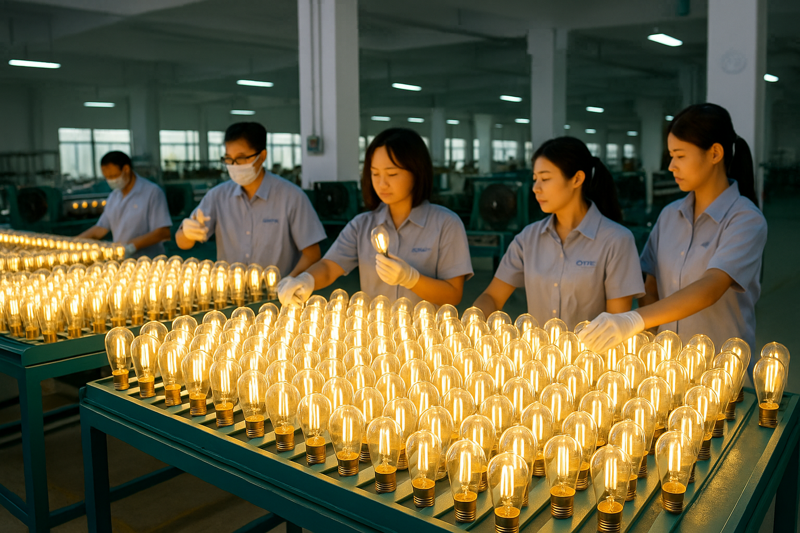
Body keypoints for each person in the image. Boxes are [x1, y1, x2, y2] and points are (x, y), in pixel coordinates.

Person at [578, 103, 768, 369]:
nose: (671, 166)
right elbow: (651, 283)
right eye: (671, 156)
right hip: (667, 370)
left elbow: (710, 287)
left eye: (680, 156)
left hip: (720, 372)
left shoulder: (745, 219)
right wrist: (653, 342)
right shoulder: (669, 215)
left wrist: (634, 320)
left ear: (714, 153)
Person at [277, 128, 473, 307]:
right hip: (378, 339)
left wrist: (412, 279)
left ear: (417, 172)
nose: (382, 184)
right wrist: (305, 280)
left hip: (426, 340)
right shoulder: (362, 226)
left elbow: (453, 295)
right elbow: (329, 267)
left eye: (392, 174)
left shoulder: (446, 224)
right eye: (375, 174)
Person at [473, 137, 645, 330]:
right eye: (535, 179)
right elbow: (493, 297)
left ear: (577, 179)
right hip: (539, 357)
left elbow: (616, 322)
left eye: (545, 179)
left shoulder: (615, 241)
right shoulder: (528, 239)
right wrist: (475, 320)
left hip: (591, 358)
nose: (536, 188)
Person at [176, 122, 325, 276]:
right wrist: (186, 233)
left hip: (278, 294)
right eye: (228, 159)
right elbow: (183, 243)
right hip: (231, 294)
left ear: (262, 157)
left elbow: (312, 254)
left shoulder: (291, 197)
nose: (234, 166)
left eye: (241, 158)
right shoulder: (217, 196)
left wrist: (290, 282)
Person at [77, 151, 171, 258]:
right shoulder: (114, 196)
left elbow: (163, 232)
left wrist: (131, 246)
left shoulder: (152, 192)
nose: (111, 181)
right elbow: (101, 228)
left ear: (126, 169)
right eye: (108, 178)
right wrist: (73, 242)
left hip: (149, 262)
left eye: (114, 176)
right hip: (122, 261)